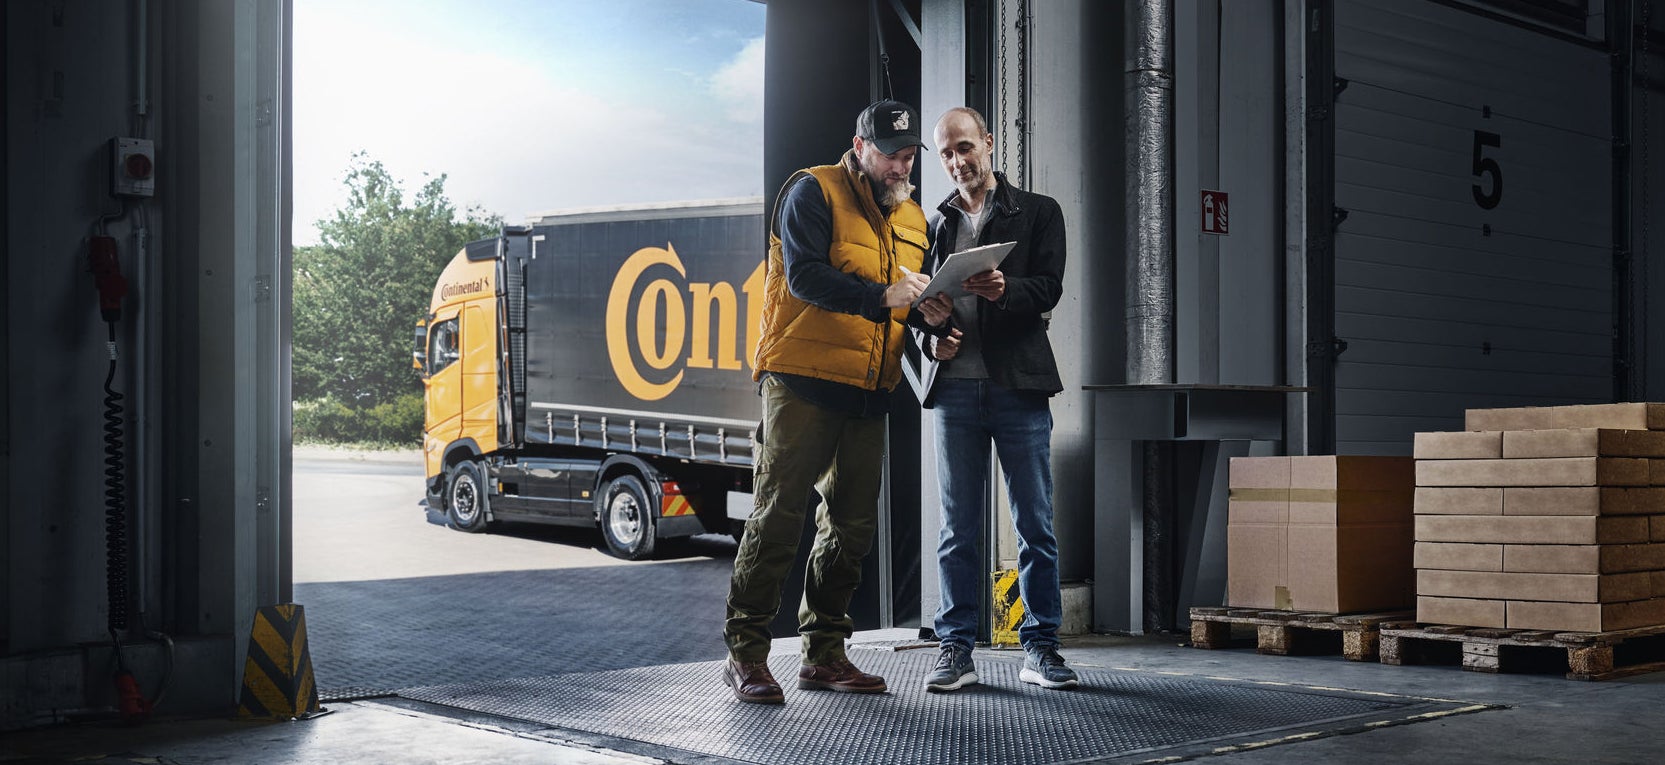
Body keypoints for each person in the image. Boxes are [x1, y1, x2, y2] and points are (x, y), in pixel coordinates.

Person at [722, 99, 940, 705]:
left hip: (870, 388)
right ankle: (746, 653)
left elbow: (902, 303)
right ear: (860, 146)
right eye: (891, 155)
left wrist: (932, 321)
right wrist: (888, 296)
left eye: (908, 156)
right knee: (778, 516)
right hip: (801, 380)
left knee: (850, 527)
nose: (902, 167)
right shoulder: (812, 192)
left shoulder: (915, 220)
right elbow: (805, 278)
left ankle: (824, 654)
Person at [912, 106, 1074, 692]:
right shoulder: (938, 224)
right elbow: (925, 311)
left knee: (1035, 523)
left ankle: (1041, 648)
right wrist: (933, 336)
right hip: (955, 392)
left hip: (1018, 387)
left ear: (988, 142)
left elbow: (1051, 286)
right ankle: (955, 648)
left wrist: (1007, 289)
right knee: (957, 528)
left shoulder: (1038, 212)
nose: (957, 161)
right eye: (947, 153)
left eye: (964, 147)